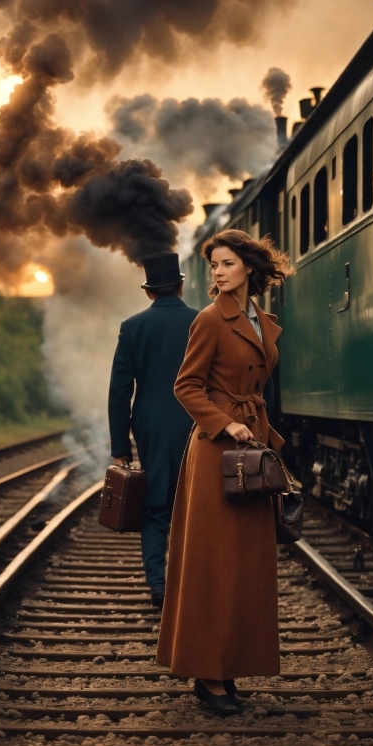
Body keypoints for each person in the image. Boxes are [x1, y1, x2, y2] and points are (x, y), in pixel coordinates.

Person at [156, 229, 295, 716]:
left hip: (250, 452)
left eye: (227, 263)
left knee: (246, 566)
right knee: (214, 566)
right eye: (213, 264)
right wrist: (227, 422)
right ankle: (207, 676)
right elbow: (186, 386)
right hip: (217, 453)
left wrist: (258, 430)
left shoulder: (262, 320)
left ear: (249, 269)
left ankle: (230, 668)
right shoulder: (210, 320)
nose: (217, 271)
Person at [108, 252, 198, 608]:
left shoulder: (133, 327)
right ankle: (191, 583)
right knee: (194, 504)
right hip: (198, 423)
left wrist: (121, 446)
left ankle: (158, 587)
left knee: (156, 505)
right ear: (180, 285)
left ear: (149, 292)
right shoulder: (201, 321)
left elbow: (120, 390)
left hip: (151, 426)